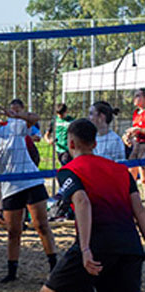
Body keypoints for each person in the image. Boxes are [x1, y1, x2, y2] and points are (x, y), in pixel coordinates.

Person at [42, 119, 145, 292]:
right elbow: (140, 211)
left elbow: (82, 201)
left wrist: (85, 248)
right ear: (95, 143)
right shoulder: (120, 170)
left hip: (97, 244)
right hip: (129, 246)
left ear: (71, 143)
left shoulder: (70, 170)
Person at [0, 107, 57, 283]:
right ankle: (12, 273)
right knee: (13, 231)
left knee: (41, 226)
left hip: (31, 181)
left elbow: (36, 117)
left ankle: (54, 267)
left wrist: (18, 115)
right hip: (9, 188)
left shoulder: (13, 126)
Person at [9, 99, 41, 166]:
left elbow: (38, 138)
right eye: (12, 111)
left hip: (29, 151)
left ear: (23, 109)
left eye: (17, 111)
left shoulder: (30, 121)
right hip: (14, 153)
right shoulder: (9, 121)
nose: (15, 113)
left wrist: (24, 138)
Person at [123, 88, 145, 181]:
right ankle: (133, 194)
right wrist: (127, 136)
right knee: (131, 175)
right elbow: (135, 131)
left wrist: (138, 129)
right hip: (136, 145)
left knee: (143, 178)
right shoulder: (136, 113)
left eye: (138, 95)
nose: (134, 98)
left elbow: (139, 129)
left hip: (144, 147)